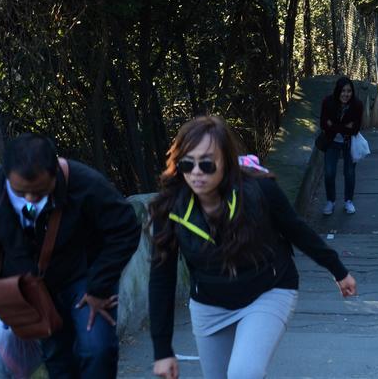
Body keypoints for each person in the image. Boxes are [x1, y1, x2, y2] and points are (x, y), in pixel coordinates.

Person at [149, 115, 357, 379]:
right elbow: (161, 278)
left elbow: (297, 230)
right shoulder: (170, 209)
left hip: (268, 290)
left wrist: (337, 270)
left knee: (243, 373)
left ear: (226, 162)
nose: (197, 171)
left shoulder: (258, 190)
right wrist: (162, 350)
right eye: (188, 163)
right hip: (210, 304)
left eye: (207, 163)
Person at [0, 133, 141, 379]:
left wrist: (99, 284)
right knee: (58, 358)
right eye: (20, 191)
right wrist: (0, 292)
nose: (29, 198)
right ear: (6, 174)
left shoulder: (85, 184)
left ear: (55, 171)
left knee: (96, 348)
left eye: (39, 191)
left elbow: (125, 229)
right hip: (33, 287)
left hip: (85, 278)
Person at [318, 77, 364, 215]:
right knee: (329, 172)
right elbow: (323, 124)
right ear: (338, 91)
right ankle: (330, 201)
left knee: (349, 173)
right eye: (343, 91)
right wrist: (344, 127)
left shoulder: (357, 105)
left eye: (349, 91)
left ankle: (348, 201)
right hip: (331, 142)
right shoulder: (328, 102)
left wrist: (335, 126)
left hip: (349, 142)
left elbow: (355, 128)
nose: (346, 94)